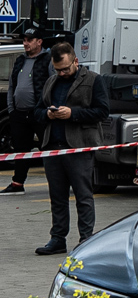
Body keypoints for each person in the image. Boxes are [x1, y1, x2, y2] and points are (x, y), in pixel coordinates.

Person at [33, 42, 109, 255]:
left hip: (79, 148)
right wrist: (47, 114)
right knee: (57, 197)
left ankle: (86, 239)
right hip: (53, 148)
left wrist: (72, 114)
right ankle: (58, 239)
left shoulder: (94, 80)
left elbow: (102, 111)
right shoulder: (51, 81)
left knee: (83, 196)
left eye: (66, 68)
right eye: (58, 69)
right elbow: (37, 111)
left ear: (76, 61)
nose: (63, 73)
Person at [0, 27, 53, 195]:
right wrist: (11, 108)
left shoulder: (48, 60)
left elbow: (54, 84)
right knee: (20, 150)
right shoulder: (20, 60)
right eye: (24, 40)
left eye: (29, 40)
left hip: (39, 112)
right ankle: (17, 183)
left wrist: (48, 108)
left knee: (48, 148)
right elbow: (11, 86)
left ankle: (56, 184)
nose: (26, 43)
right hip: (19, 113)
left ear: (39, 41)